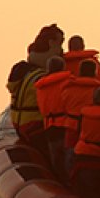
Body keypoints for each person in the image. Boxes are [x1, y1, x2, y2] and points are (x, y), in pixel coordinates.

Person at [7, 24, 64, 159]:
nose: (62, 50)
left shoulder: (22, 72)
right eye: (60, 44)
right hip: (36, 129)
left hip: (20, 127)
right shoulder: (42, 79)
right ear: (51, 43)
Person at [60, 59, 100, 179]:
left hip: (71, 126)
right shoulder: (98, 90)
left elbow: (62, 106)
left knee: (70, 153)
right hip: (90, 127)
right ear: (95, 73)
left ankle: (69, 180)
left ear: (79, 72)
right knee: (88, 157)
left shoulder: (68, 89)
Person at [33, 56, 72, 181]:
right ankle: (69, 182)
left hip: (49, 126)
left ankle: (59, 180)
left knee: (55, 157)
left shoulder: (41, 86)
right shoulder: (68, 83)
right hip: (65, 123)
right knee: (68, 155)